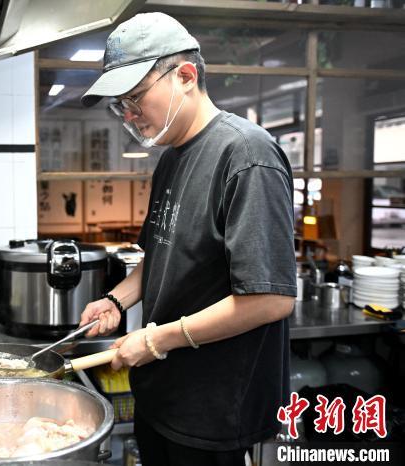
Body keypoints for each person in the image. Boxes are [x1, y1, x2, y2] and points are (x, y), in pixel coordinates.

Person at [79, 12, 297, 466]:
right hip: (163, 394)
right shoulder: (172, 158)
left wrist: (155, 341)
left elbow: (270, 300)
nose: (129, 114)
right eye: (121, 104)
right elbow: (162, 254)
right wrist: (116, 300)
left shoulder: (247, 154)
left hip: (215, 409)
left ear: (184, 76)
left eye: (135, 97)